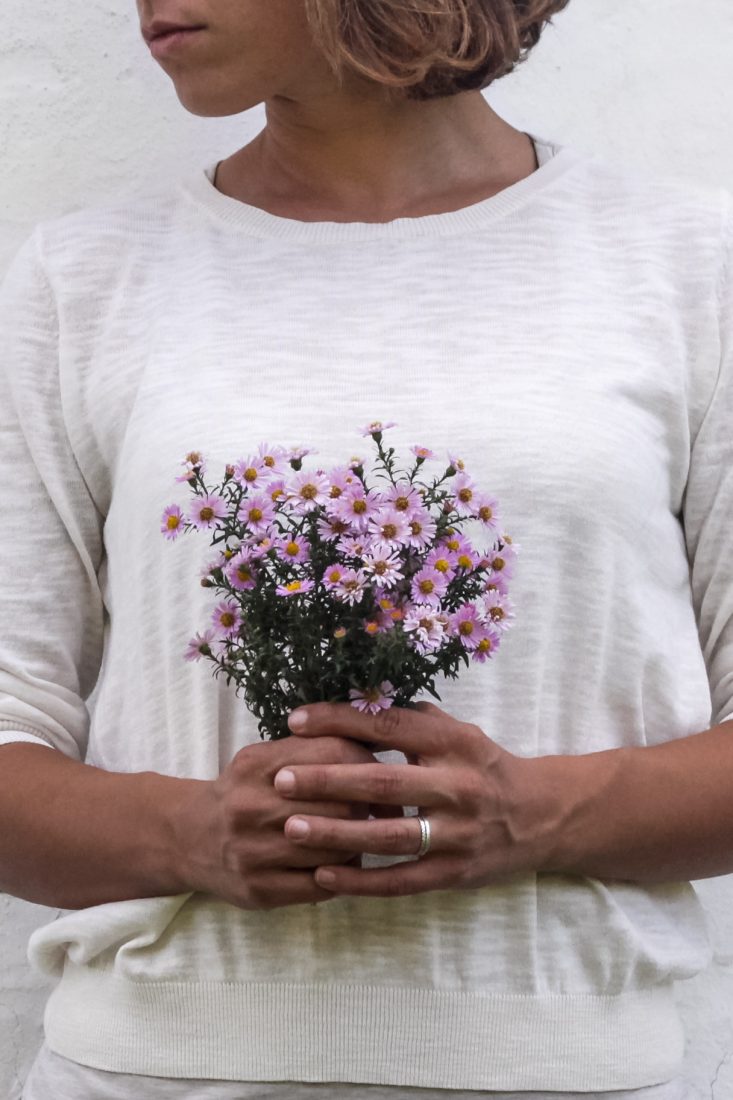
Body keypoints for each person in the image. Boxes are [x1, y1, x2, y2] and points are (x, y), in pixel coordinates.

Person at [1, 0, 730, 1097]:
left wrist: (534, 812)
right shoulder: (83, 279)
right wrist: (190, 834)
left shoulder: (688, 264)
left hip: (570, 1073)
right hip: (143, 1070)